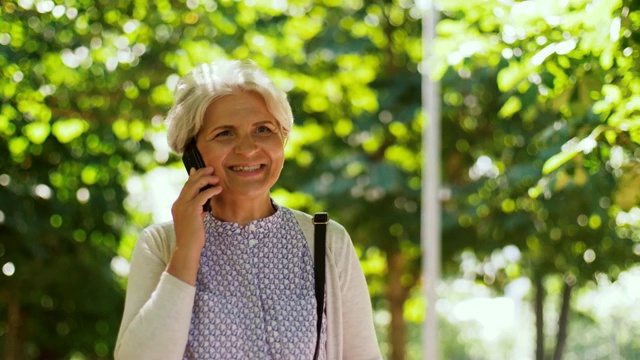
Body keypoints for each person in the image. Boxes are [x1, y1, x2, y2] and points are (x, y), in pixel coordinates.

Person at [114, 59, 381, 359]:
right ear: (192, 153)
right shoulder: (161, 245)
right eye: (224, 133)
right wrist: (186, 249)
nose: (248, 148)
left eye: (263, 130)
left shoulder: (328, 242)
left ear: (283, 138)